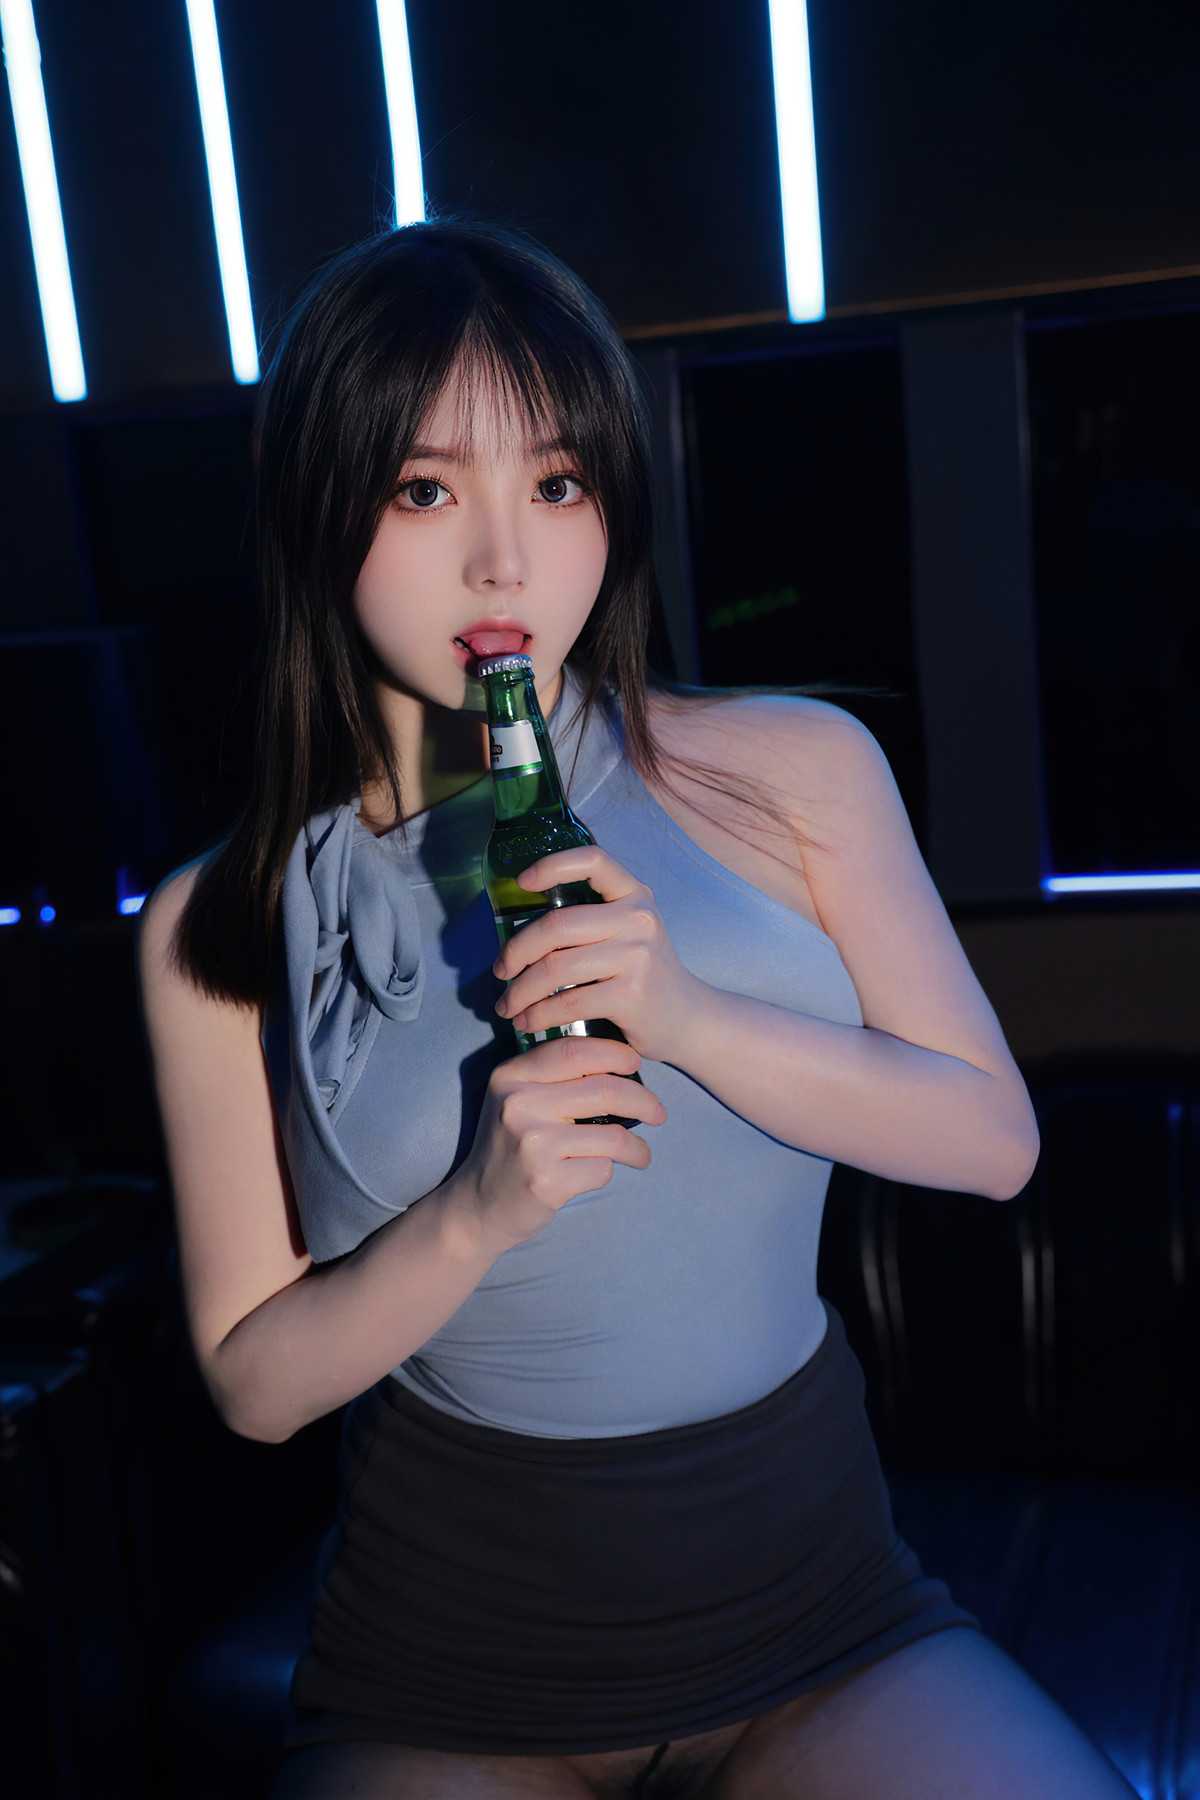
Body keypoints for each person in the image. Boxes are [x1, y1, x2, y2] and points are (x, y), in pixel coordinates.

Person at [136, 214, 1139, 1798]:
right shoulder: (222, 919)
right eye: (423, 489)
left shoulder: (794, 769)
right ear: (320, 507)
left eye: (556, 484)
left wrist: (686, 1015)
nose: (504, 563)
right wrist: (473, 1213)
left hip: (827, 1622)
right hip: (445, 1673)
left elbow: (993, 1143)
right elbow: (256, 1385)